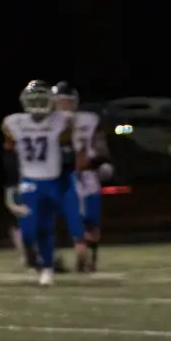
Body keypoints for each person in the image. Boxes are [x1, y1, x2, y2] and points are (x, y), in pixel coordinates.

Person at [1, 81, 83, 285]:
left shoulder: (61, 121)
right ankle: (32, 255)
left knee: (46, 228)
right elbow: (10, 155)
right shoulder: (14, 123)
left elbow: (68, 151)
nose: (37, 104)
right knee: (28, 232)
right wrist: (11, 184)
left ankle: (47, 268)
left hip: (53, 181)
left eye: (41, 99)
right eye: (33, 99)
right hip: (29, 181)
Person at [52, 82, 112, 272]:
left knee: (93, 220)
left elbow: (99, 143)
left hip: (89, 176)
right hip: (66, 175)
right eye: (61, 102)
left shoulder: (90, 119)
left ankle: (90, 258)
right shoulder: (48, 123)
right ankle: (80, 253)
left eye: (68, 101)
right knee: (75, 217)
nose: (65, 105)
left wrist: (103, 162)